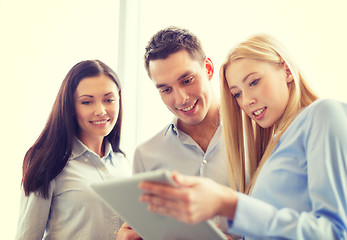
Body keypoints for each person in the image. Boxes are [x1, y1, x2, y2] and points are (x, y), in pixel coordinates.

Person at [139, 34, 347, 239]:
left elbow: (336, 232)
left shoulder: (323, 113)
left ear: (286, 71)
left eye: (254, 82)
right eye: (237, 93)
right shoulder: (274, 143)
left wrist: (230, 203)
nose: (246, 100)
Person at [117, 26, 237, 239]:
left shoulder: (255, 134)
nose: (180, 98)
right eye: (166, 89)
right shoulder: (146, 156)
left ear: (208, 69)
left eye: (187, 80)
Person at [15, 60, 132, 240]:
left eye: (109, 100)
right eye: (87, 102)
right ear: (70, 107)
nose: (101, 110)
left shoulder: (122, 162)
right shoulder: (49, 162)